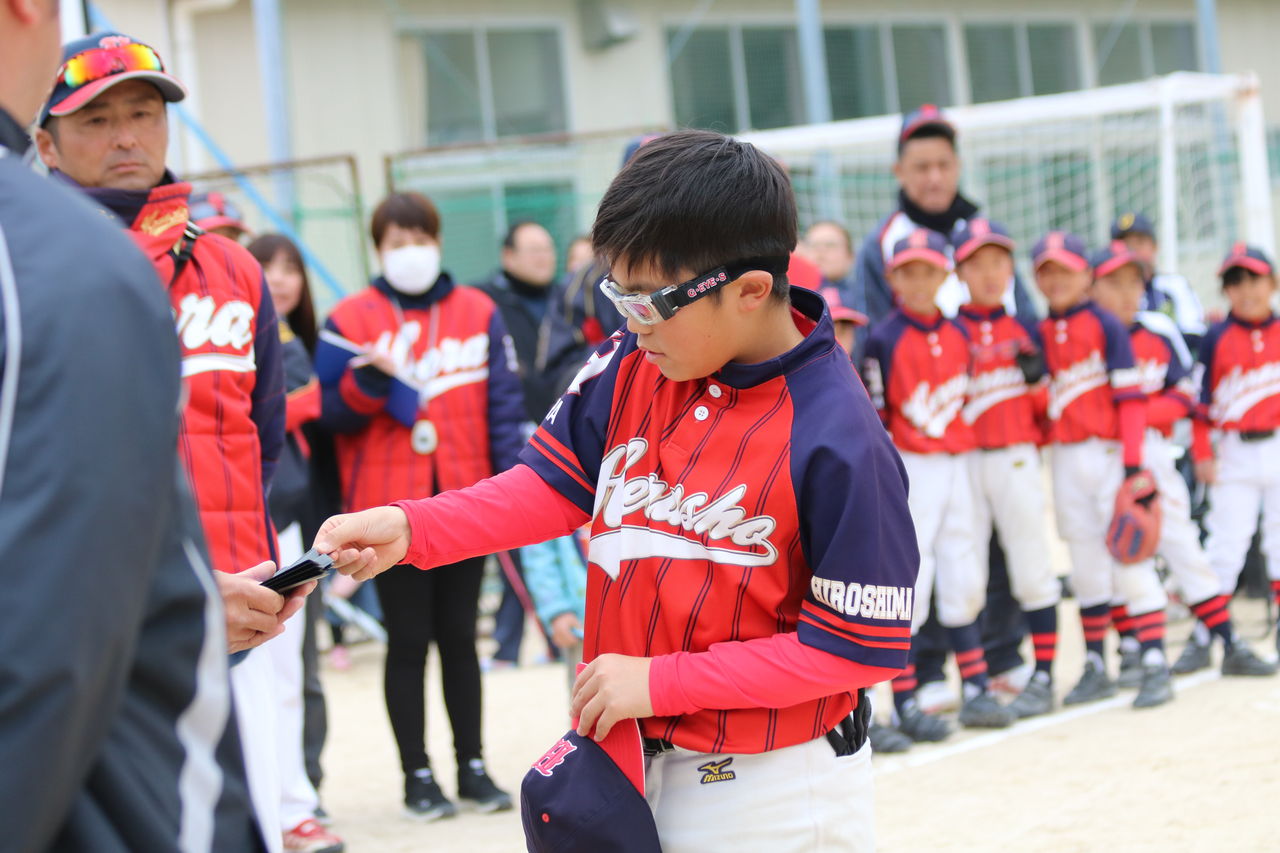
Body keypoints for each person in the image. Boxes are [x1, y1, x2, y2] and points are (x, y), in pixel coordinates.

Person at [313, 130, 919, 852]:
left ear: (751, 290)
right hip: (628, 759)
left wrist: (662, 683)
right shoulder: (635, 358)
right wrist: (413, 527)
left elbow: (854, 651)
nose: (629, 320)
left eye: (648, 301)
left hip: (774, 785)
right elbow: (548, 485)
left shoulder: (840, 433)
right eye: (619, 294)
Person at [0, 8, 288, 848]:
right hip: (90, 626)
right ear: (47, 143)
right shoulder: (38, 263)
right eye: (96, 119)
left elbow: (264, 428)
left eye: (144, 112)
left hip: (240, 596)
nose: (127, 136)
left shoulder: (232, 265)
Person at [317, 191, 524, 820]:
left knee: (460, 638)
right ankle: (418, 775)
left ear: (437, 241)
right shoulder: (350, 317)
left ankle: (473, 767)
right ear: (378, 249)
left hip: (465, 501)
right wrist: (368, 383)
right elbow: (330, 416)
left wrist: (512, 493)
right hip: (386, 512)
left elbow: (505, 411)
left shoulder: (478, 311)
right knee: (408, 641)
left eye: (420, 238)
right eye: (396, 241)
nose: (410, 251)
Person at [855, 105, 1034, 703]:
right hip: (922, 426)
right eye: (921, 166)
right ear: (899, 171)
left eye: (942, 164)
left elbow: (1020, 319)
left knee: (989, 545)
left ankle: (1001, 657)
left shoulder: (985, 228)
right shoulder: (882, 243)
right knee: (922, 552)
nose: (933, 176)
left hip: (988, 418)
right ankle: (927, 672)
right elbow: (877, 342)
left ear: (957, 166)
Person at [1088, 240, 1276, 680]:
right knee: (1116, 552)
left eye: (1133, 282)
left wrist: (1136, 413)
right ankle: (1137, 648)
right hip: (1107, 456)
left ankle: (1215, 640)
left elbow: (1184, 395)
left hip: (1153, 449)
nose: (1126, 292)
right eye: (1113, 283)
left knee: (1183, 544)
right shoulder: (1086, 336)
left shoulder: (1157, 333)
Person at [863, 229, 1015, 737]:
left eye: (928, 271)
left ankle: (976, 687)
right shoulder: (884, 338)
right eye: (908, 272)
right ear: (893, 278)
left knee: (963, 566)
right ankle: (905, 701)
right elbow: (878, 411)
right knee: (914, 574)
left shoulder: (959, 334)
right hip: (914, 464)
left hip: (960, 459)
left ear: (944, 275)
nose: (919, 281)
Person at [1033, 231, 1173, 709]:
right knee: (1085, 561)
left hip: (1110, 454)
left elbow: (1131, 402)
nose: (1057, 280)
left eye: (1066, 270)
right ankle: (1097, 662)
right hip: (1065, 457)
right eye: (1047, 271)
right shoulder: (1040, 332)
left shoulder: (1107, 325)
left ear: (1087, 276)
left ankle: (1154, 659)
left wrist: (1133, 465)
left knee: (1129, 554)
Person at [249, 234, 348, 852]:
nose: (277, 278)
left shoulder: (280, 331)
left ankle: (294, 806)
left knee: (287, 668)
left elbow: (306, 400)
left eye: (288, 268)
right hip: (194, 517)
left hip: (277, 517)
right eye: (266, 265)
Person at [952, 219, 1062, 718]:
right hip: (967, 461)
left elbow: (1047, 409)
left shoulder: (1025, 329)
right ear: (960, 271)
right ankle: (975, 681)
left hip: (1016, 455)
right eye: (978, 264)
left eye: (999, 262)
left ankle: (1044, 674)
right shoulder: (949, 331)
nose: (991, 273)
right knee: (966, 572)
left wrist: (1037, 386)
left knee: (1032, 565)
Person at [478, 220, 588, 668]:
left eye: (548, 248)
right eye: (533, 250)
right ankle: (514, 640)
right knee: (528, 538)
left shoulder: (565, 297)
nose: (544, 257)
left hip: (574, 424)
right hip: (522, 436)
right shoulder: (489, 302)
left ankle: (525, 638)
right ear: (508, 256)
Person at [1192, 244, 1280, 659]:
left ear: (1272, 283)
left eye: (1254, 280)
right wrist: (1201, 452)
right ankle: (1206, 632)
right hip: (1233, 449)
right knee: (1226, 543)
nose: (1246, 291)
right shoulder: (1216, 337)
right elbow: (1200, 404)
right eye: (1235, 282)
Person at [1111, 212, 1207, 353]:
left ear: (1155, 246)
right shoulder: (1104, 292)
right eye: (1125, 245)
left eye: (1140, 243)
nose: (1133, 250)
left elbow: (1194, 333)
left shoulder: (1175, 285)